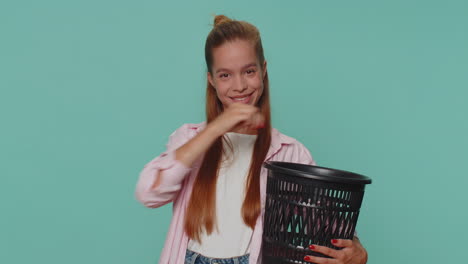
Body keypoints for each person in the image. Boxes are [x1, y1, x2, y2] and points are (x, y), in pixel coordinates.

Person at [135, 15, 368, 264]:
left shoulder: (290, 152)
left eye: (249, 71)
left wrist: (356, 249)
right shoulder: (190, 139)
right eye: (225, 75)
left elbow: (325, 221)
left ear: (263, 70)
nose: (239, 86)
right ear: (211, 80)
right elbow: (149, 193)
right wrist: (215, 129)